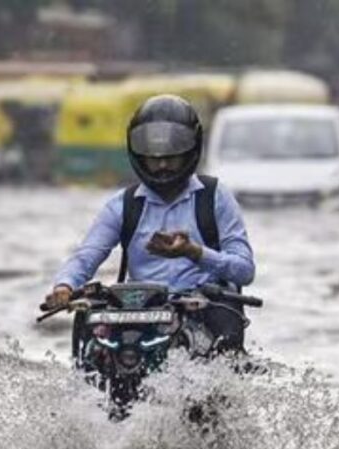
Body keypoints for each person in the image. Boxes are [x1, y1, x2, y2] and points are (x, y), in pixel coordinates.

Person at [45, 94, 256, 350]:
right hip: (138, 315)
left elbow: (245, 271)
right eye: (154, 158)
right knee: (91, 335)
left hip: (203, 314)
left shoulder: (215, 197)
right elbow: (87, 255)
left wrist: (194, 252)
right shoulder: (123, 204)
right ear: (139, 155)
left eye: (172, 157)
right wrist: (65, 285)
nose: (163, 165)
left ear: (190, 151)